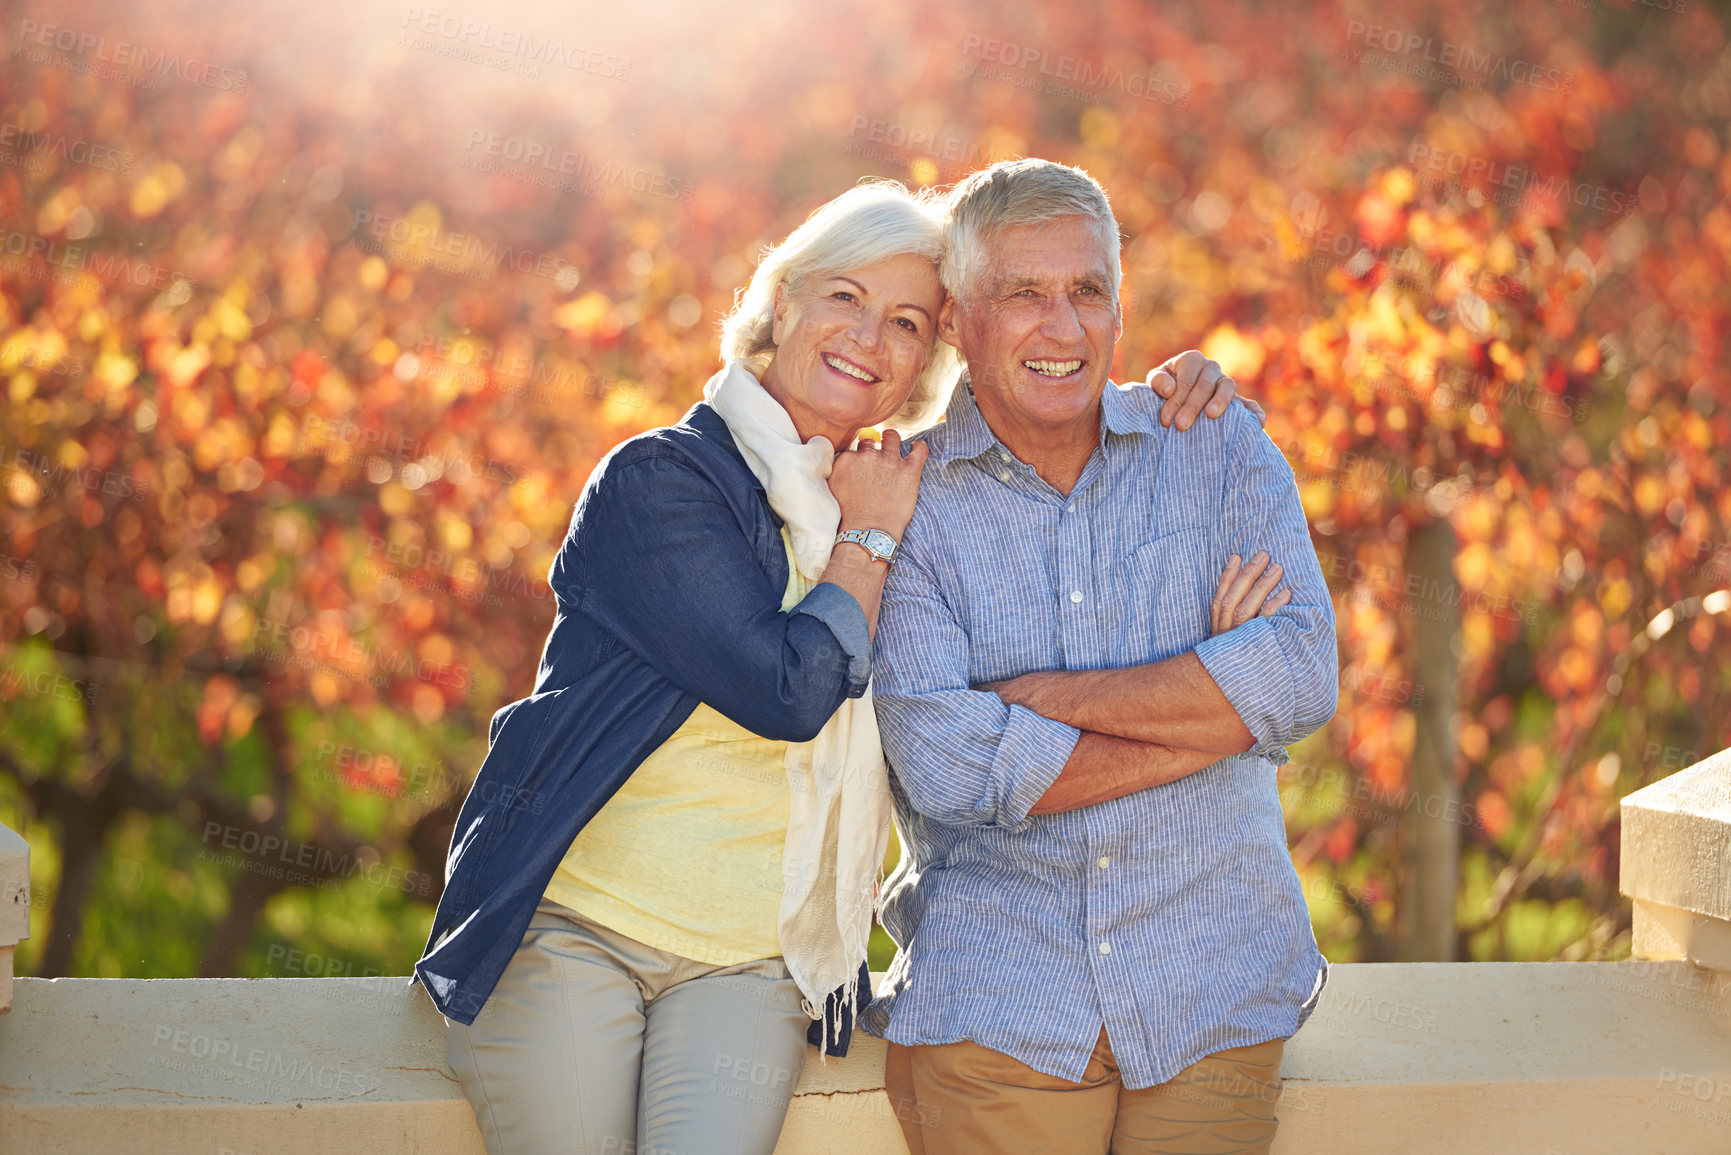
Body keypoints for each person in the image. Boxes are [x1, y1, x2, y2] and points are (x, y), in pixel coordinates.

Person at [411, 177, 1252, 1155]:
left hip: (755, 966)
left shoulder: (898, 493)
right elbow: (790, 689)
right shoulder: (661, 483)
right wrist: (866, 546)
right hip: (574, 931)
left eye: (905, 322)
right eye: (845, 298)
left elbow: (1043, 412)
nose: (869, 338)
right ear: (782, 305)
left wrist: (1175, 396)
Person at [863, 158, 1338, 1155]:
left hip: (1217, 980)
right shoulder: (908, 503)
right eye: (1023, 294)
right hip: (1001, 995)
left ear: (1122, 311)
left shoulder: (1214, 448)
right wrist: (1216, 713)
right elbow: (951, 766)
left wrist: (1040, 701)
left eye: (1088, 292)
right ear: (956, 320)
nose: (1064, 328)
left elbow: (1298, 675)